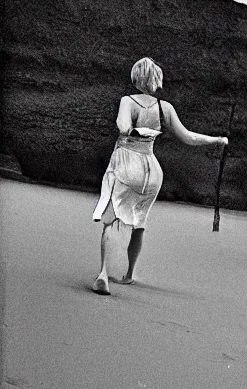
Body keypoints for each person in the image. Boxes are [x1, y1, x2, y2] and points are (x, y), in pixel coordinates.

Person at [91, 57, 228, 295]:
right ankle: (129, 274)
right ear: (156, 79)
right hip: (152, 170)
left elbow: (123, 127)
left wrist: (131, 129)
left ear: (136, 77)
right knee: (140, 222)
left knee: (110, 220)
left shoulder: (128, 101)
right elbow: (188, 137)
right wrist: (217, 140)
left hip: (126, 161)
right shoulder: (165, 108)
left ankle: (103, 274)